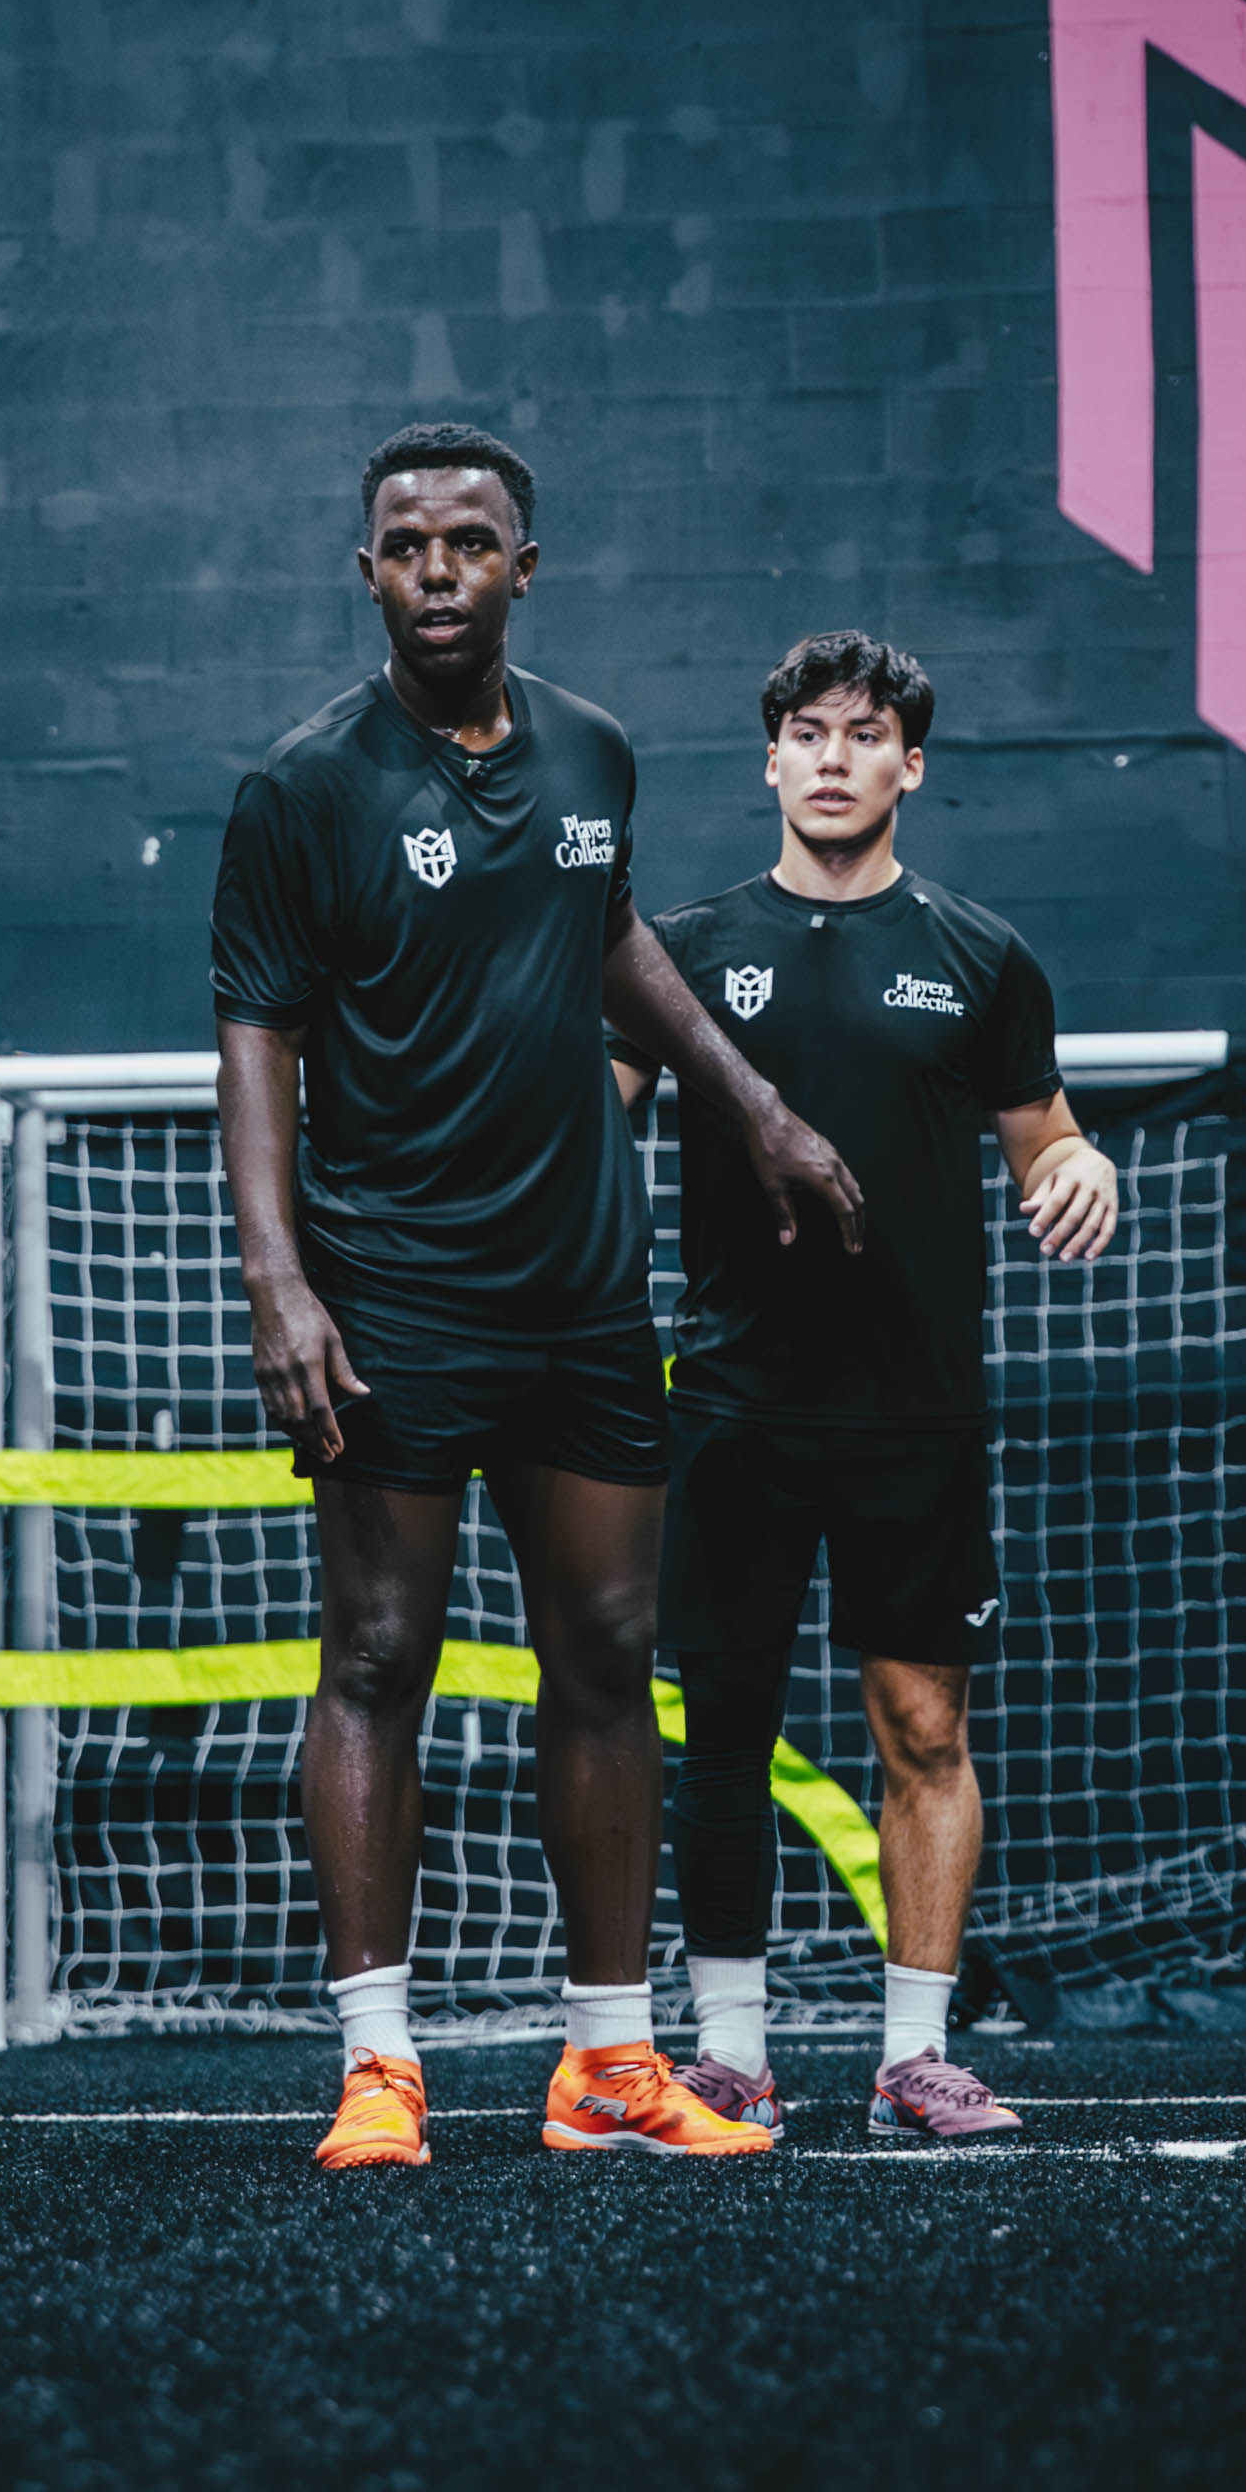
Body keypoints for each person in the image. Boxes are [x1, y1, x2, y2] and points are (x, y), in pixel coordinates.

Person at [210, 426, 866, 2170]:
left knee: (606, 1655)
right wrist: (278, 1285)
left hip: (580, 1287)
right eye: (405, 545)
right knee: (378, 1656)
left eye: (469, 542)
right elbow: (256, 1034)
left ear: (522, 565)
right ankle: (379, 2065)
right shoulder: (301, 789)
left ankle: (606, 2064)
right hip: (392, 1289)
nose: (437, 569)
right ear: (367, 573)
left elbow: (607, 933)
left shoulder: (592, 748)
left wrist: (752, 1102)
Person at [608, 631, 1118, 2142]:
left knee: (924, 1730)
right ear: (769, 758)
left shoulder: (981, 955)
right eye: (810, 733)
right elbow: (576, 1121)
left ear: (911, 764)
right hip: (730, 1405)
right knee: (723, 1735)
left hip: (914, 1408)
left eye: (866, 734)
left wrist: (1083, 1164)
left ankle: (913, 2056)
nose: (835, 757)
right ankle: (730, 2056)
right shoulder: (679, 950)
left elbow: (1045, 1136)